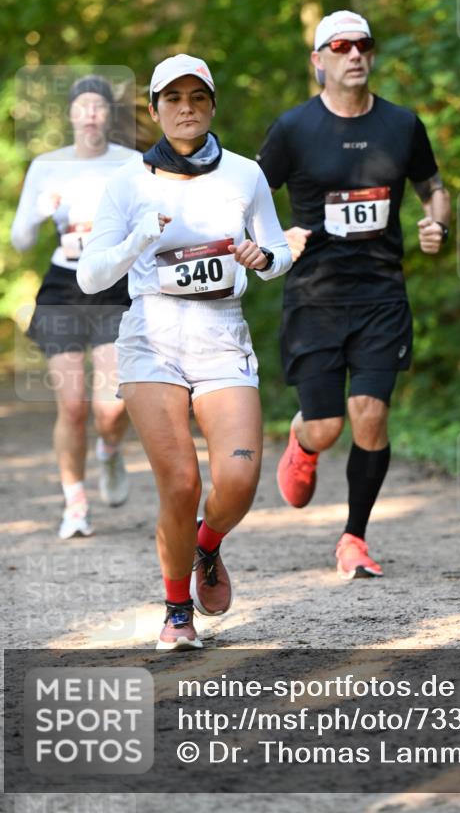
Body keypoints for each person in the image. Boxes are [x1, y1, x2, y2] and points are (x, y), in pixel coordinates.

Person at [77, 54, 292, 650]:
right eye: (173, 98)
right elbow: (91, 276)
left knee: (239, 480)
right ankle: (176, 612)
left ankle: (206, 544)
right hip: (152, 336)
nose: (186, 108)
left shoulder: (245, 174)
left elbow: (278, 251)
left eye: (198, 97)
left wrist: (263, 258)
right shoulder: (127, 182)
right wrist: (139, 238)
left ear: (212, 105)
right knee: (179, 483)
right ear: (155, 109)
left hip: (221, 333)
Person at [257, 10, 450, 580]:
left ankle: (354, 537)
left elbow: (433, 187)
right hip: (314, 297)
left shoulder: (402, 124)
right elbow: (247, 196)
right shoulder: (293, 129)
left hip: (381, 295)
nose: (355, 55)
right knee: (327, 427)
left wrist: (437, 222)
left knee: (370, 414)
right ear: (318, 60)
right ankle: (302, 441)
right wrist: (274, 238)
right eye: (340, 47)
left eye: (363, 45)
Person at [11, 75, 135, 539]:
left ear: (109, 115)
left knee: (111, 408)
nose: (90, 115)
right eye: (82, 106)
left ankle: (110, 450)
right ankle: (76, 504)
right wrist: (40, 210)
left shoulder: (131, 164)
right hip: (63, 288)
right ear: (70, 114)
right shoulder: (47, 166)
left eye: (98, 106)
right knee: (72, 406)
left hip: (112, 285)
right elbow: (20, 240)